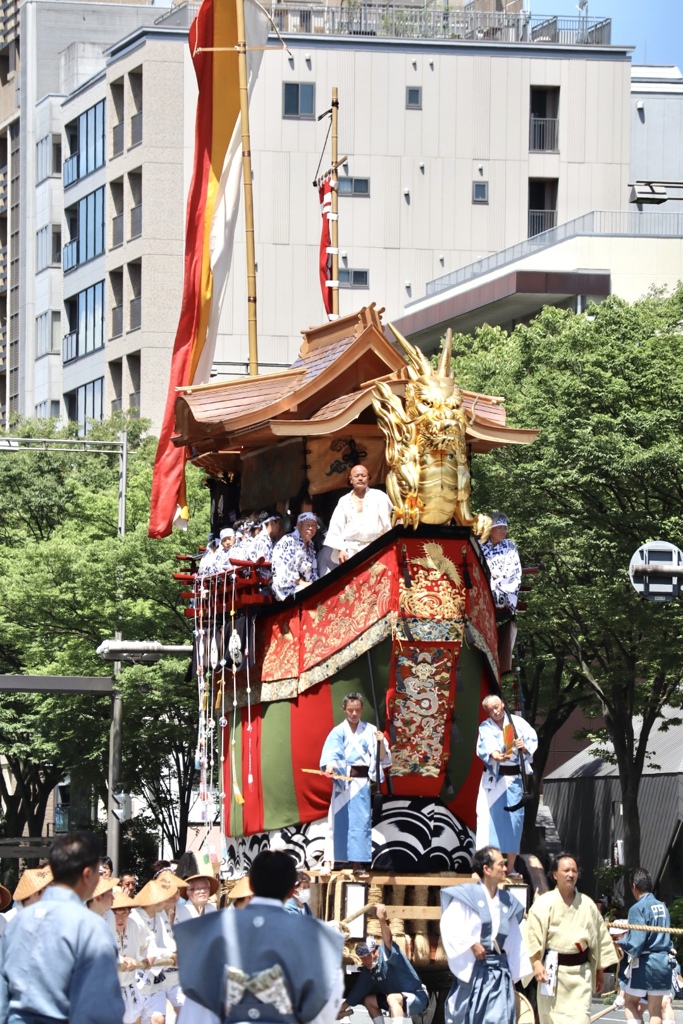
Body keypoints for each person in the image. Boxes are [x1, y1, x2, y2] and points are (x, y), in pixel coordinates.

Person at [175, 849, 344, 1024]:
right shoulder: (316, 936)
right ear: (291, 890)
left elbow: (197, 1009)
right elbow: (326, 1005)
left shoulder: (210, 933)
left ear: (252, 886)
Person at [0, 830, 124, 1024]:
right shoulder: (90, 927)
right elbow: (102, 1008)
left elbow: (2, 995)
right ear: (87, 874)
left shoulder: (17, 922)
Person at [439, 846, 530, 1024]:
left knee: (499, 1017)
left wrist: (513, 975)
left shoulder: (508, 901)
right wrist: (471, 944)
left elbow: (514, 941)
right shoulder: (467, 896)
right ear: (486, 869)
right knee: (470, 1016)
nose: (505, 868)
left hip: (499, 972)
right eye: (501, 864)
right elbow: (450, 926)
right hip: (473, 970)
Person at [525, 852, 618, 1024]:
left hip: (580, 976)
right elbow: (533, 935)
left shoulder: (588, 904)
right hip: (552, 974)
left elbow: (599, 938)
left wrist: (599, 971)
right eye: (566, 870)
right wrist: (537, 962)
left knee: (581, 1019)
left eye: (574, 871)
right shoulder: (543, 904)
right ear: (555, 874)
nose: (571, 874)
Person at [320, 692, 391, 874]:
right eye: (350, 710)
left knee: (361, 823)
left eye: (357, 710)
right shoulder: (338, 731)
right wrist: (330, 766)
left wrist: (381, 742)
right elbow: (331, 754)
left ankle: (358, 864)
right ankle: (328, 861)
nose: (354, 714)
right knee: (335, 822)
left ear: (362, 710)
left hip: (361, 783)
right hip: (343, 782)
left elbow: (381, 757)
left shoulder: (370, 730)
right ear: (344, 710)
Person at [475, 694, 537, 875]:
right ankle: (487, 867)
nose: (495, 711)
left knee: (514, 824)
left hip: (514, 780)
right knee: (488, 822)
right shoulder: (486, 726)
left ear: (503, 704)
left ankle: (510, 868)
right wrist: (495, 755)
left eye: (497, 706)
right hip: (494, 780)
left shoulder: (518, 723)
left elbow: (531, 744)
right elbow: (488, 744)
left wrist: (523, 747)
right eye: (490, 710)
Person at [337, 903, 428, 1024]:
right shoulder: (369, 970)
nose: (364, 962)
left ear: (375, 952)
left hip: (417, 997)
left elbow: (388, 939)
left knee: (391, 998)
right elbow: (357, 992)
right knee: (368, 1000)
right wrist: (341, 1009)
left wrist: (382, 919)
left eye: (366, 957)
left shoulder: (387, 955)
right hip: (397, 1000)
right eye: (362, 958)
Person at [619, 868, 671, 1024]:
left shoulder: (637, 908)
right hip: (663, 961)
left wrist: (620, 941)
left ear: (634, 886)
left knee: (629, 1002)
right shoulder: (663, 907)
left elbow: (636, 943)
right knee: (655, 1010)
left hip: (645, 962)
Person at [322, 465, 393, 566]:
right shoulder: (344, 501)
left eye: (363, 475)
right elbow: (336, 526)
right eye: (356, 476)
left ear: (368, 478)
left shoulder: (379, 496)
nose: (360, 478)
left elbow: (390, 521)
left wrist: (387, 541)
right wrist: (340, 549)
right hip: (350, 550)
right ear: (351, 479)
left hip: (375, 547)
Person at [109, 889, 154, 1024]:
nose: (120, 918)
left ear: (130, 912)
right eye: (115, 914)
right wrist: (123, 960)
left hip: (129, 985)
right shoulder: (103, 926)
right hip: (109, 989)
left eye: (124, 913)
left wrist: (150, 956)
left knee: (135, 1020)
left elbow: (149, 940)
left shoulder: (135, 924)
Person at [271, 512, 320, 601]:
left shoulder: (311, 546)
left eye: (314, 526)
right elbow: (285, 570)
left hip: (304, 585)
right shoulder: (289, 541)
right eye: (308, 524)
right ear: (298, 525)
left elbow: (313, 571)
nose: (311, 528)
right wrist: (302, 583)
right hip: (287, 588)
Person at [480, 513, 522, 614]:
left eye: (505, 528)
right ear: (490, 529)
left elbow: (513, 569)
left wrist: (496, 583)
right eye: (500, 528)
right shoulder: (479, 545)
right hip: (482, 584)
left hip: (504, 587)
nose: (503, 531)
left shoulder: (510, 545)